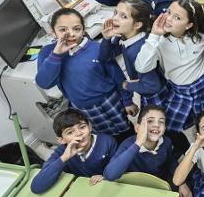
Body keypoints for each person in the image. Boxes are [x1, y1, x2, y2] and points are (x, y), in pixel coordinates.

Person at [134, 0, 204, 142]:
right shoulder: (158, 42)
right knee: (181, 123)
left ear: (189, 25)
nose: (169, 19)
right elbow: (141, 67)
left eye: (177, 17)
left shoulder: (201, 35)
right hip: (180, 90)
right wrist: (154, 35)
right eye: (169, 12)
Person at [36, 8, 136, 142]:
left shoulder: (96, 48)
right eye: (63, 30)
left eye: (76, 29)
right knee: (102, 137)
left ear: (83, 30)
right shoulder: (48, 53)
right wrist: (57, 55)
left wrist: (127, 100)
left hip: (110, 99)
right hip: (83, 107)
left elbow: (117, 75)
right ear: (53, 32)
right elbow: (44, 83)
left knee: (124, 129)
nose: (70, 34)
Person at [98, 0, 168, 109]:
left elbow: (152, 87)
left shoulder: (137, 50)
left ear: (137, 25)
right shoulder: (125, 37)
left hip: (155, 94)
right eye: (115, 13)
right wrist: (106, 38)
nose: (115, 18)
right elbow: (104, 58)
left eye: (123, 16)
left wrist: (126, 85)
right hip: (144, 86)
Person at [30, 109, 116, 194]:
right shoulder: (62, 151)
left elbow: (120, 170)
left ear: (89, 126)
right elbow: (36, 187)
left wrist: (105, 176)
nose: (78, 134)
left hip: (106, 188)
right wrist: (64, 158)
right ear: (61, 140)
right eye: (70, 132)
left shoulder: (107, 142)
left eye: (82, 127)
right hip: (81, 191)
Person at [103, 105, 181, 183]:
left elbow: (171, 161)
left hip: (158, 183)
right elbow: (110, 175)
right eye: (150, 121)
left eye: (161, 122)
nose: (157, 125)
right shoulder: (127, 144)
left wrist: (182, 184)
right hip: (134, 184)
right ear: (137, 128)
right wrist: (138, 143)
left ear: (164, 128)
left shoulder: (166, 142)